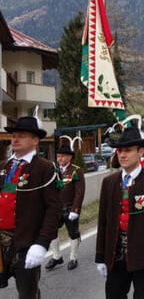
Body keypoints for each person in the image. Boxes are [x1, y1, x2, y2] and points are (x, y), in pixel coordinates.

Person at [95, 127, 144, 299]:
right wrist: (101, 256)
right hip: (116, 258)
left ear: (140, 152)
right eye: (120, 151)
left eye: (128, 150)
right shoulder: (109, 183)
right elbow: (103, 223)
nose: (122, 155)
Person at [0, 116, 62, 298]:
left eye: (22, 135)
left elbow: (54, 209)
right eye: (14, 135)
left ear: (35, 140)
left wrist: (42, 243)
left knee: (28, 293)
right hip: (0, 243)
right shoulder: (4, 166)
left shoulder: (45, 168)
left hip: (25, 243)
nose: (15, 139)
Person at [46, 144, 85, 271]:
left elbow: (79, 193)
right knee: (51, 230)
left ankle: (73, 258)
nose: (59, 159)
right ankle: (57, 256)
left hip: (69, 207)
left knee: (73, 233)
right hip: (55, 208)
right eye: (58, 156)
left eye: (62, 156)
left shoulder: (76, 170)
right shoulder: (54, 169)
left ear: (69, 157)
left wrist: (75, 210)